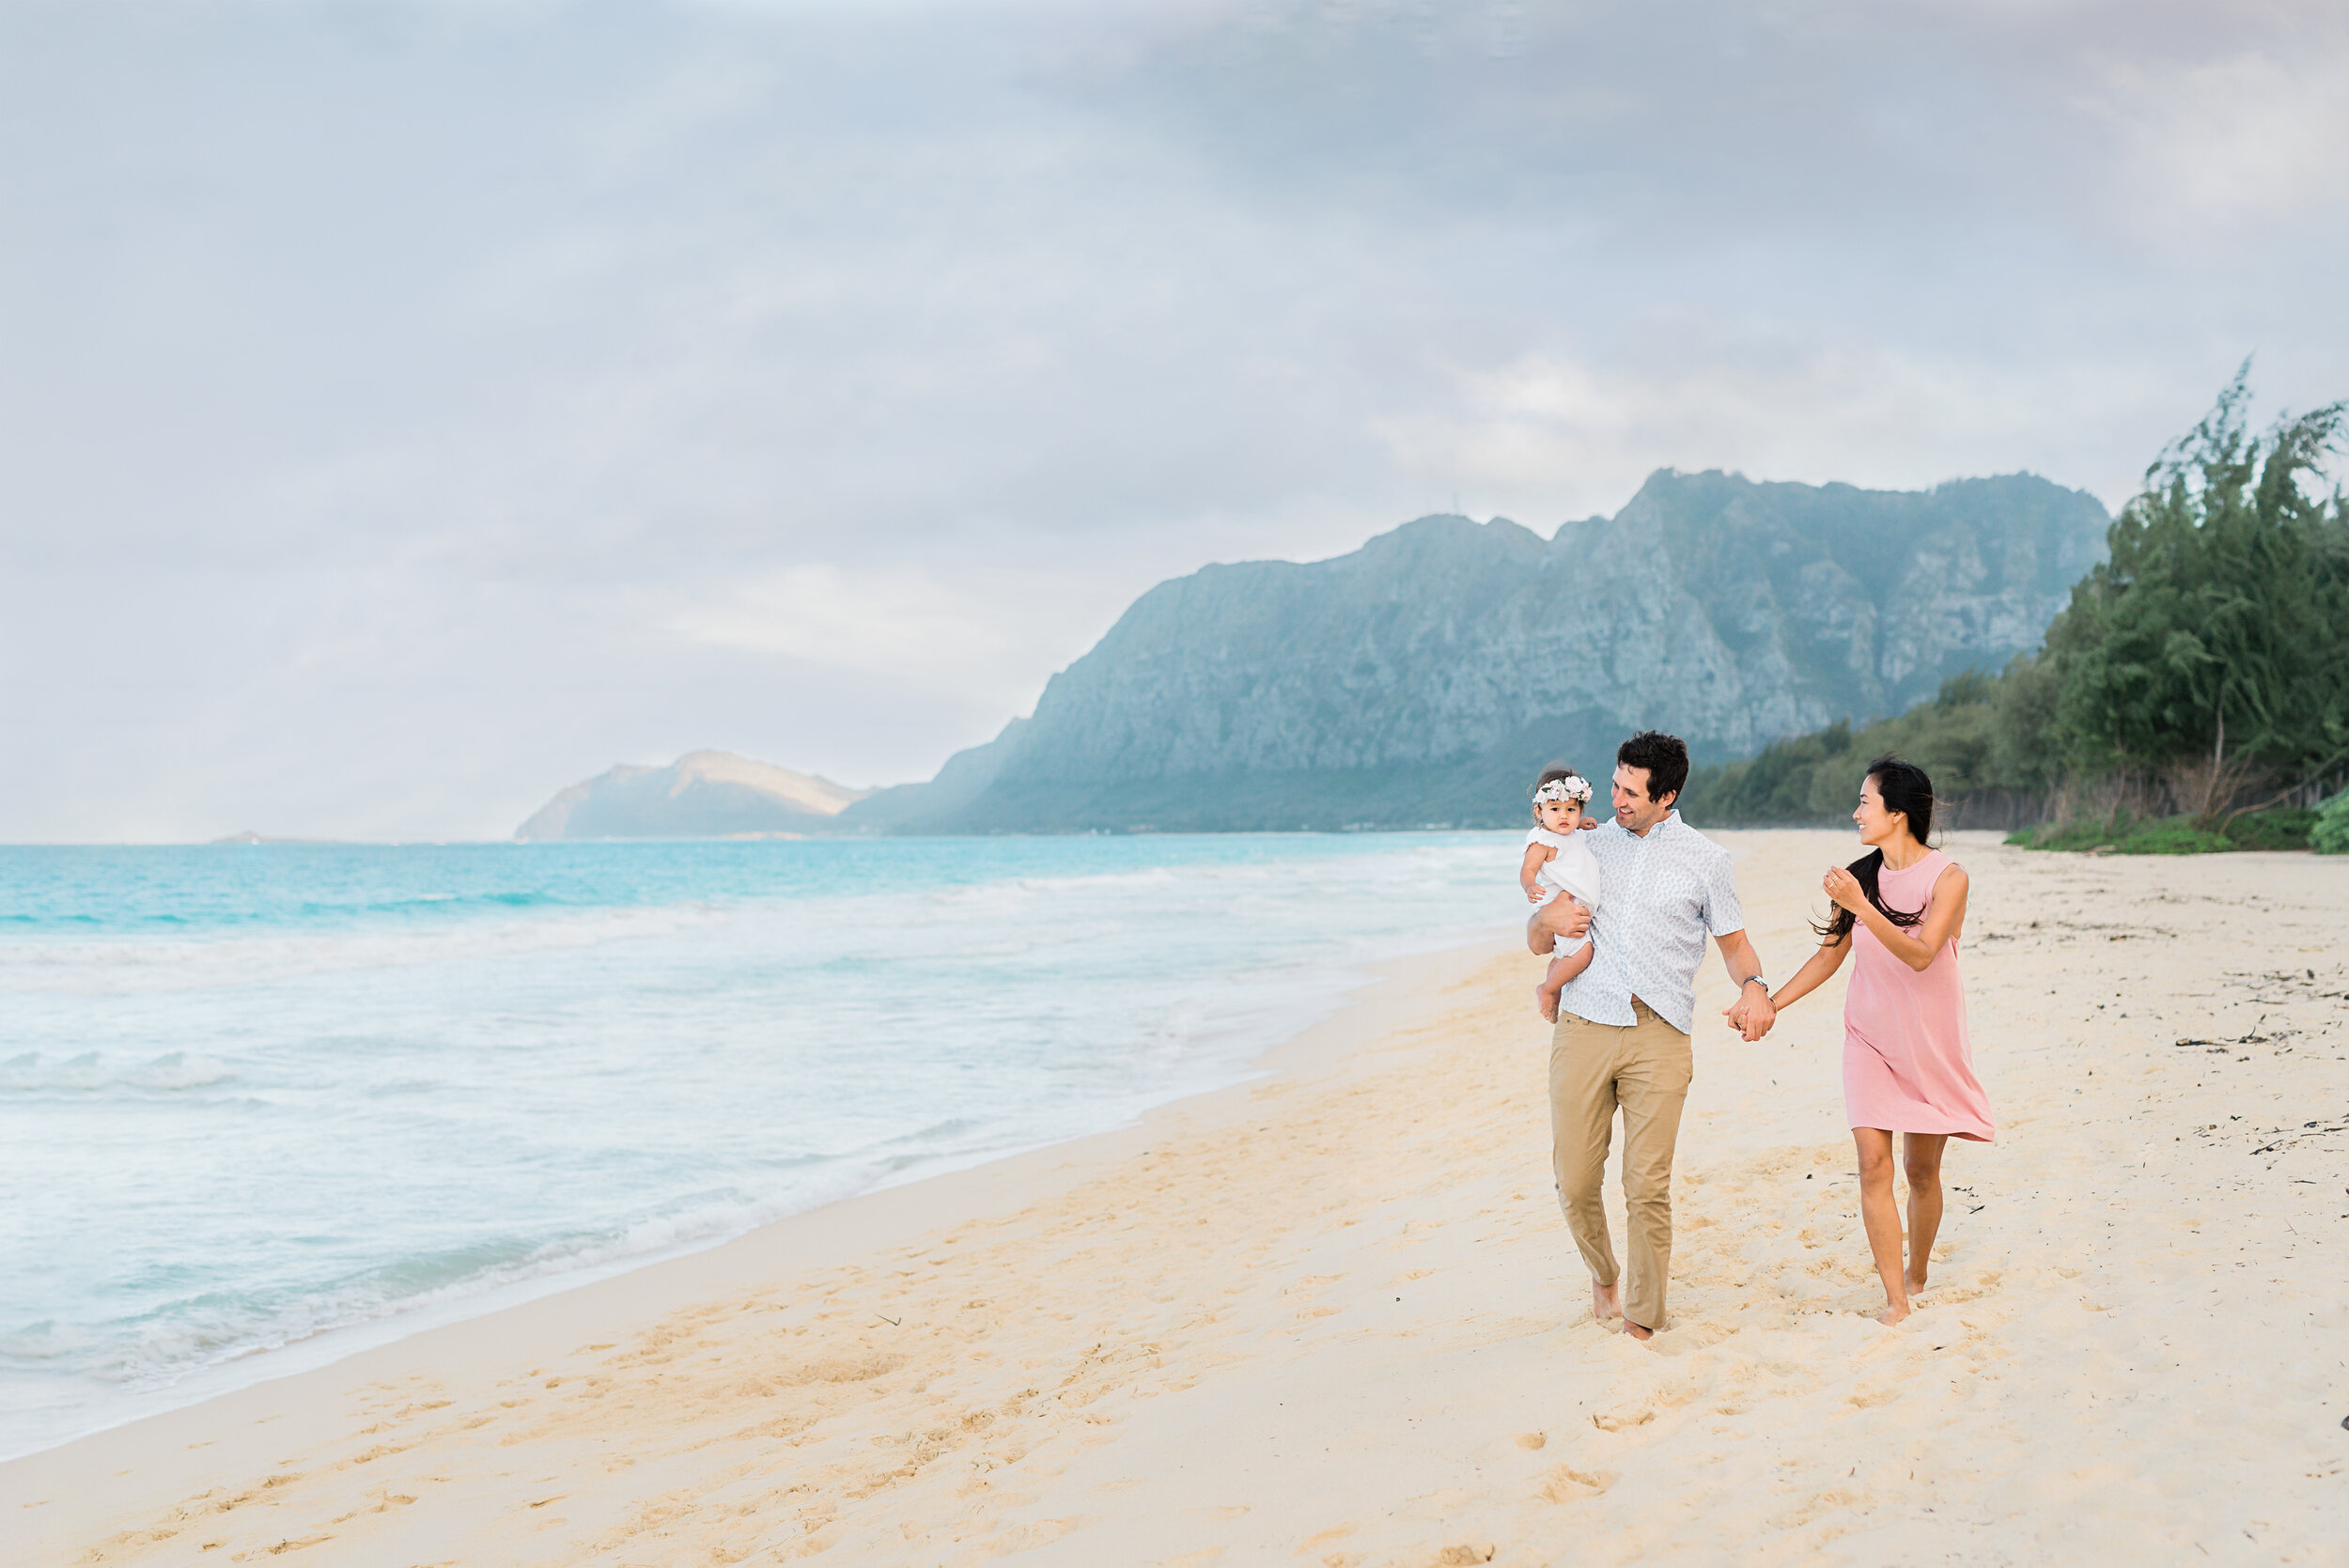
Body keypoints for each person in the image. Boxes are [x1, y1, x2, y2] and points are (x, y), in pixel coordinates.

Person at [1529, 731, 1775, 1340]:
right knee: (1576, 1179)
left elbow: (1736, 946)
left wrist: (1754, 987)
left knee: (1646, 1183)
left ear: (1668, 796)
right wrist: (1542, 920)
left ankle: (1642, 1319)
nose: (1615, 799)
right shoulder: (1583, 847)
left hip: (1660, 1033)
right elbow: (1539, 935)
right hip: (1584, 1023)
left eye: (1631, 792)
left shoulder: (1706, 860)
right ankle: (1603, 1271)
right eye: (1613, 784)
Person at [1766, 756, 1995, 1326]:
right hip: (1868, 1038)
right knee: (1873, 1165)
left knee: (1921, 1172)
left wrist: (1860, 904)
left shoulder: (1949, 878)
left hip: (1928, 1043)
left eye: (1865, 802)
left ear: (1896, 812)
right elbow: (1830, 955)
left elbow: (1921, 955)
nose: (1855, 812)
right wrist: (1771, 1005)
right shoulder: (1861, 875)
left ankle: (1918, 1272)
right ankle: (1895, 1297)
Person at [1520, 768, 1604, 1023]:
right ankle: (1548, 989)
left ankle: (1552, 988)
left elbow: (1567, 831)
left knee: (1563, 957)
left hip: (1578, 908)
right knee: (1583, 954)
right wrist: (1530, 886)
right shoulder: (1542, 842)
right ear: (1539, 811)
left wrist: (1577, 825)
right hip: (1565, 910)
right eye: (1555, 810)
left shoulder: (1570, 833)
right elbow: (1527, 869)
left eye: (1571, 810)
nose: (1563, 816)